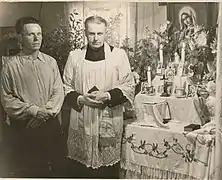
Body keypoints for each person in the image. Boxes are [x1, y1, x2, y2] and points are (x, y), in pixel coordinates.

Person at [63, 15, 136, 178]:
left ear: (106, 33)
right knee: (82, 170)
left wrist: (108, 95)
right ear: (85, 33)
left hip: (108, 117)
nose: (96, 38)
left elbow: (129, 85)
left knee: (107, 172)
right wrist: (82, 99)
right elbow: (65, 87)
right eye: (91, 33)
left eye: (100, 33)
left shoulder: (118, 55)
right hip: (83, 117)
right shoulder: (74, 56)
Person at [0, 17, 65, 177]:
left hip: (51, 125)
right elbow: (7, 100)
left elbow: (58, 92)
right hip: (25, 128)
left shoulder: (51, 62)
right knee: (34, 171)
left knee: (59, 168)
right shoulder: (10, 66)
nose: (37, 38)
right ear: (21, 38)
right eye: (31, 34)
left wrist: (44, 114)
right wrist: (34, 111)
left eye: (39, 34)